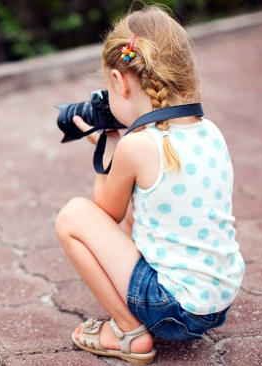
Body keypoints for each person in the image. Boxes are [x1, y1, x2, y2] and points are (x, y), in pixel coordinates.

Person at [54, 5, 244, 365]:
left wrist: (107, 151)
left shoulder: (137, 145)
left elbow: (104, 212)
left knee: (72, 216)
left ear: (120, 81)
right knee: (140, 213)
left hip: (172, 310)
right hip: (216, 302)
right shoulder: (210, 130)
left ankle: (128, 332)